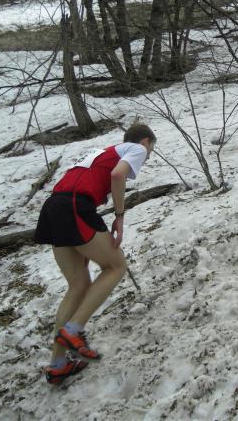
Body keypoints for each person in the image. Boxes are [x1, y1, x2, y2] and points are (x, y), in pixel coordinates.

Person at [35, 124, 156, 384]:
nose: (148, 156)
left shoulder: (99, 152)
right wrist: (120, 216)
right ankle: (73, 330)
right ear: (146, 141)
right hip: (76, 206)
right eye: (151, 149)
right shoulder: (137, 148)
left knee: (78, 285)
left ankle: (58, 365)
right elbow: (117, 175)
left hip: (54, 206)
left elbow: (94, 178)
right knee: (116, 266)